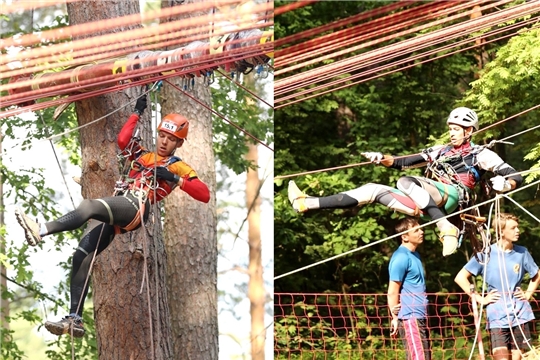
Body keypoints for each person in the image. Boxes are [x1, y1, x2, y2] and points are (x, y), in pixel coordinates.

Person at [15, 94, 210, 337]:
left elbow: (204, 194)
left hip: (138, 204)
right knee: (82, 255)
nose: (164, 142)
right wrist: (136, 113)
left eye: (171, 140)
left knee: (88, 206)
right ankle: (74, 319)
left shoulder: (178, 166)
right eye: (162, 136)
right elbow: (123, 140)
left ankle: (41, 229)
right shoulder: (144, 156)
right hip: (124, 207)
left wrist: (174, 178)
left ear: (179, 144)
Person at [288, 107, 523, 256]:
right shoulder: (439, 151)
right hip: (425, 201)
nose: (452, 133)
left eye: (457, 129)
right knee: (373, 190)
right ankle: (306, 203)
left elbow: (515, 175)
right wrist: (382, 159)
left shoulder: (480, 153)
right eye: (450, 128)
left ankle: (444, 227)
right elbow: (403, 162)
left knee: (406, 181)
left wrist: (506, 184)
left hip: (451, 196)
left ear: (469, 130)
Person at [454, 213, 540, 360]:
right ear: (501, 231)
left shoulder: (522, 252)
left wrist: (527, 294)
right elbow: (460, 278)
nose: (518, 230)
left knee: (517, 357)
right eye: (513, 228)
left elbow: (537, 275)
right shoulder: (486, 254)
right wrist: (480, 299)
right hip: (497, 316)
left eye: (517, 227)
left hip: (520, 314)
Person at [388, 217, 431, 360]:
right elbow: (393, 290)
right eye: (417, 230)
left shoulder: (415, 255)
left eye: (421, 228)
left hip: (421, 315)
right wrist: (394, 318)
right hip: (410, 317)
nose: (422, 232)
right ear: (404, 237)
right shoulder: (400, 257)